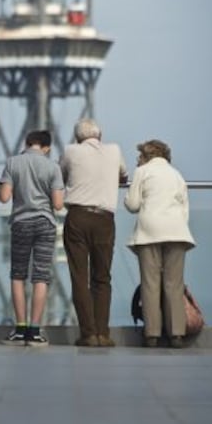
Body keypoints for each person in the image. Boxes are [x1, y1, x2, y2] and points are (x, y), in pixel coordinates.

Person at [60, 118, 128, 347]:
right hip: (105, 219)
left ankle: (88, 334)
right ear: (100, 135)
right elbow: (123, 176)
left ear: (78, 138)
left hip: (78, 217)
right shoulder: (115, 150)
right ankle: (103, 333)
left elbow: (61, 177)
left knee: (79, 277)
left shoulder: (70, 151)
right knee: (102, 277)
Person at [124, 139, 196, 348]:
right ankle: (176, 334)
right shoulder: (177, 175)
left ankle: (152, 335)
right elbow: (184, 209)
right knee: (174, 284)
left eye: (139, 156)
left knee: (150, 283)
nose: (137, 160)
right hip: (177, 232)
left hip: (150, 231)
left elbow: (133, 204)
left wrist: (126, 198)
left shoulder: (142, 172)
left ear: (147, 155)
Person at [0, 130, 64, 347]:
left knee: (18, 275)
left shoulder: (13, 162)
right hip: (45, 223)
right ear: (46, 147)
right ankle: (35, 332)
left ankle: (20, 329)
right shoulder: (53, 166)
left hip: (21, 223)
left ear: (27, 143)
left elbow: (4, 197)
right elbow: (57, 204)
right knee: (41, 277)